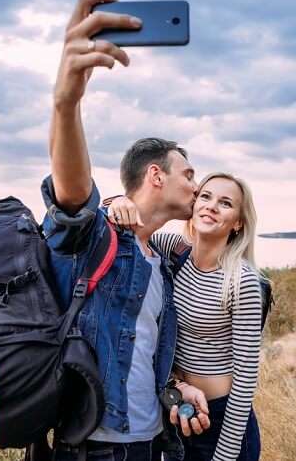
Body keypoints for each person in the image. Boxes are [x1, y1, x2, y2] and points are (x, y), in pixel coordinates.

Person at [40, 0, 211, 460]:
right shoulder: (95, 237)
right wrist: (66, 100)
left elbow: (143, 350)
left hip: (153, 442)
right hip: (94, 447)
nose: (196, 187)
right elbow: (70, 193)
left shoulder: (167, 260)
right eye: (189, 175)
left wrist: (175, 387)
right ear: (156, 176)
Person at [106, 172, 263, 461]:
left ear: (238, 222)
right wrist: (116, 202)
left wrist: (225, 455)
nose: (212, 206)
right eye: (206, 196)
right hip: (178, 407)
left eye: (225, 203)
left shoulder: (242, 281)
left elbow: (245, 380)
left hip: (222, 419)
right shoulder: (171, 249)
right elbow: (132, 225)